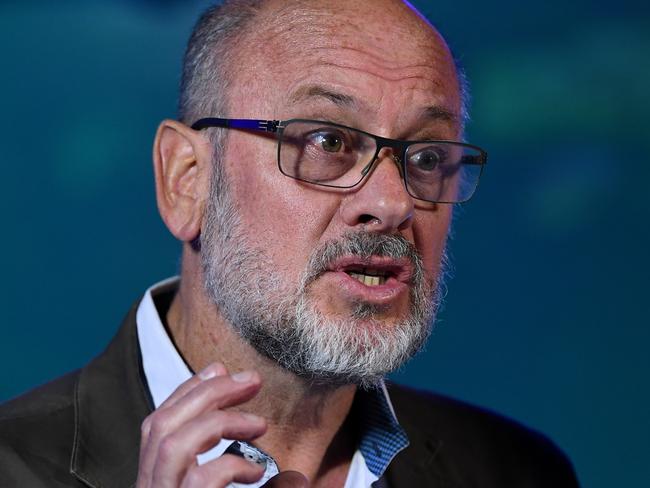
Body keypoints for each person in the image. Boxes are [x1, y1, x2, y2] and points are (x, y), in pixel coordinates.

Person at [0, 0, 580, 487]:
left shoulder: (518, 471)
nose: (393, 202)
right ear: (187, 180)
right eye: (327, 141)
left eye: (426, 157)